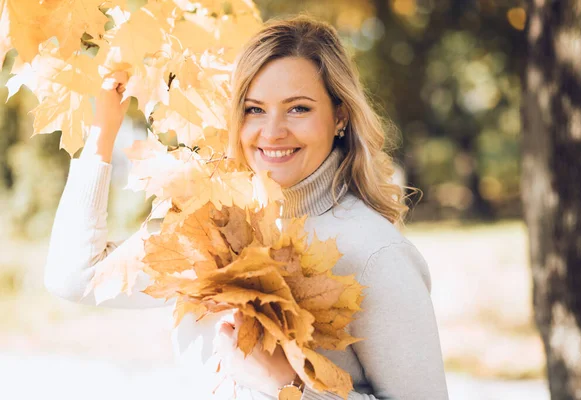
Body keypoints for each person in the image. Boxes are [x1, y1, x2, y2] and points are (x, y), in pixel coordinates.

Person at [44, 15, 449, 400]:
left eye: (298, 108)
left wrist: (290, 385)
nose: (272, 132)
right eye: (254, 109)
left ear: (339, 115)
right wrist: (102, 132)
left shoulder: (376, 254)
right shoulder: (216, 229)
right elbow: (76, 276)